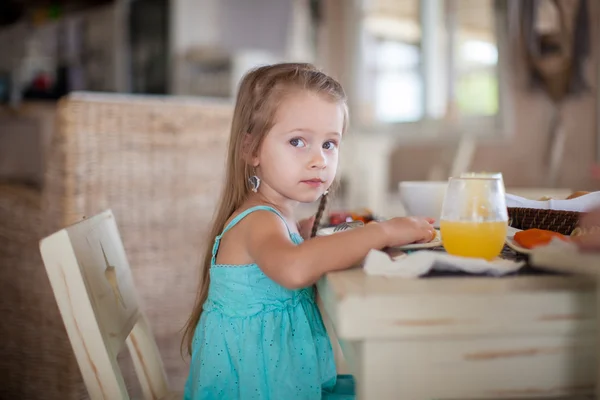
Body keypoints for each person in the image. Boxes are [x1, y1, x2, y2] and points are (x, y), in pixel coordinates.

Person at [182, 63, 435, 399]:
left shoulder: (279, 219)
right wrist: (382, 233)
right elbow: (295, 268)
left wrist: (320, 234)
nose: (319, 160)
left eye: (329, 144)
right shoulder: (258, 220)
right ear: (251, 149)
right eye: (298, 141)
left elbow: (298, 253)